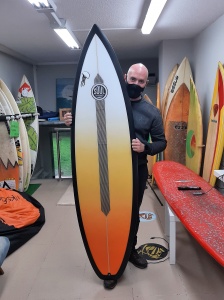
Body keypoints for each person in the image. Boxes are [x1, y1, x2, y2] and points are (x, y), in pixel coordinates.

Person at [64, 63, 167, 289]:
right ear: (124, 77)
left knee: (131, 213)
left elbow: (161, 142)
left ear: (145, 84)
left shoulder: (151, 112)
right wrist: (73, 122)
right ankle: (108, 257)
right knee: (104, 212)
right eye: (132, 79)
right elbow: (88, 125)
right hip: (106, 168)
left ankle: (129, 251)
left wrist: (145, 148)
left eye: (141, 81)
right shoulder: (104, 102)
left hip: (136, 170)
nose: (136, 84)